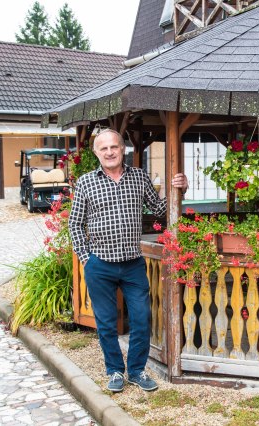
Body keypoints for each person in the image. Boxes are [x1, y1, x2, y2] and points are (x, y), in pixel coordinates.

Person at [68, 128, 188, 392]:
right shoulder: (86, 182)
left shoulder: (139, 177)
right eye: (104, 148)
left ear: (123, 149)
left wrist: (179, 189)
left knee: (141, 318)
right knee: (106, 322)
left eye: (114, 147)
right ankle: (114, 371)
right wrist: (86, 258)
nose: (110, 152)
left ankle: (136, 371)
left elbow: (159, 209)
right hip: (100, 264)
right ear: (96, 153)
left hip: (133, 263)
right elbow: (75, 224)